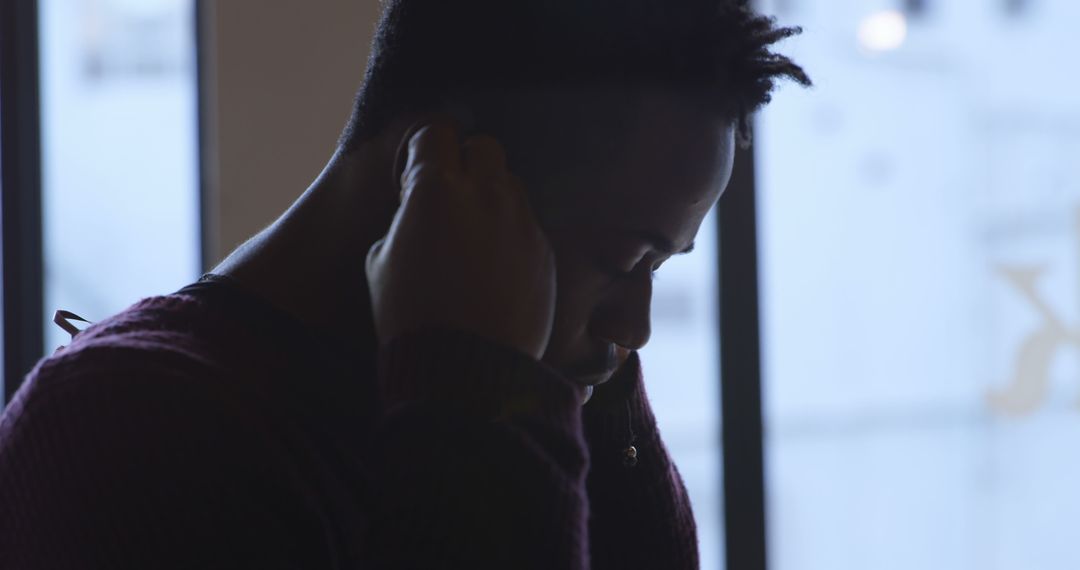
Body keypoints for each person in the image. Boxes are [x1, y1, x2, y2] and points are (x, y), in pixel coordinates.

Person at [0, 0, 808, 568]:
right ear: (433, 172)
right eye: (622, 261)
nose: (635, 329)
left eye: (661, 267)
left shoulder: (548, 384)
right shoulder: (126, 428)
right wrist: (480, 385)